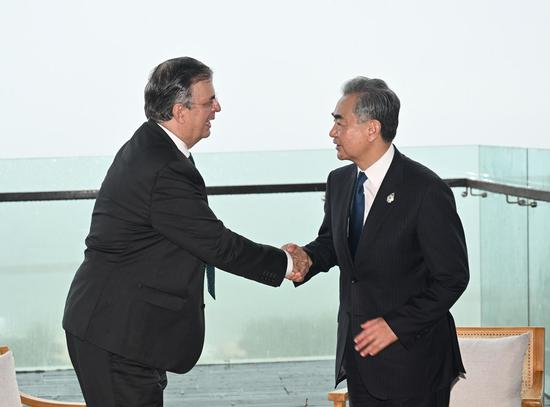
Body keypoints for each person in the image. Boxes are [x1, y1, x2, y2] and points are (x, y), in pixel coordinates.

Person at [62, 56, 308, 407]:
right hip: (116, 334)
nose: (217, 108)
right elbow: (216, 243)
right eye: (209, 102)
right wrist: (286, 263)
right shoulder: (162, 166)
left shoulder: (154, 146)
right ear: (180, 111)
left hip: (125, 329)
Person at [285, 77, 469, 406]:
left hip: (413, 363)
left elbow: (452, 277)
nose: (332, 132)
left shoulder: (425, 190)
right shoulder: (340, 181)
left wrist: (395, 326)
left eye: (339, 123)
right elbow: (333, 242)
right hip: (359, 358)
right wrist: (308, 258)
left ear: (372, 129)